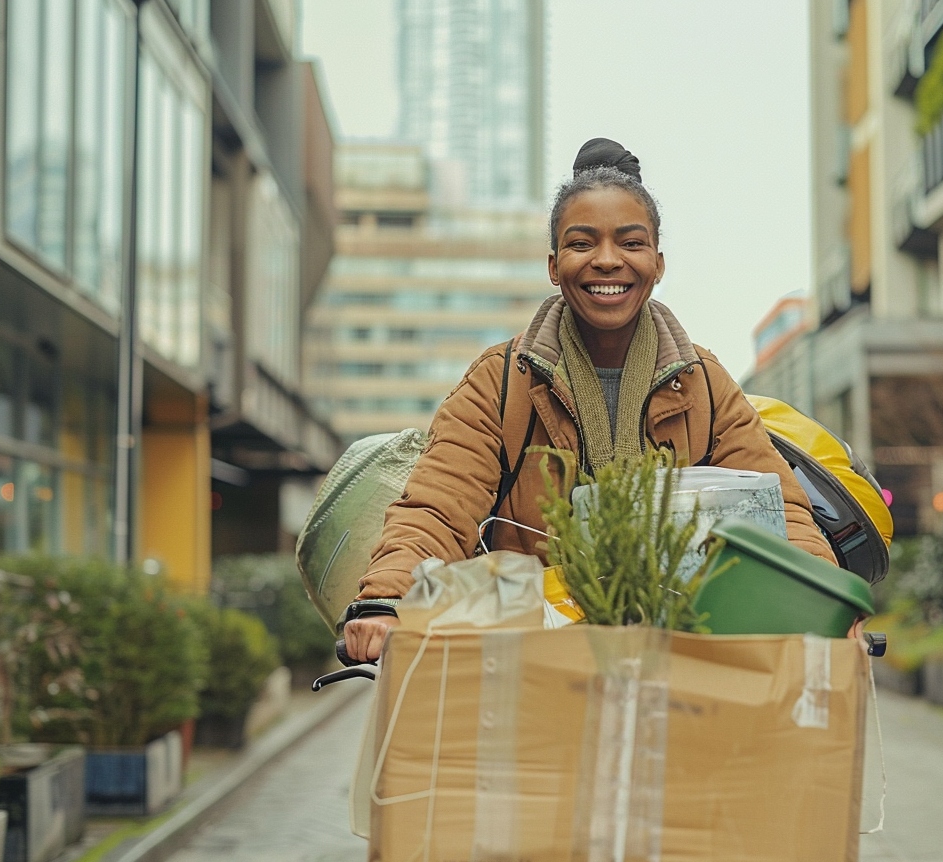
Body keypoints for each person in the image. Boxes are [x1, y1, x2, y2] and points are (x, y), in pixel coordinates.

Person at [344, 138, 853, 662]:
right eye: (582, 243)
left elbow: (780, 512)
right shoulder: (499, 382)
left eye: (630, 244)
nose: (607, 261)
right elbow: (437, 507)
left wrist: (825, 607)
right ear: (553, 263)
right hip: (528, 665)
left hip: (678, 662)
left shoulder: (705, 383)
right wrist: (387, 600)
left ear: (657, 263)